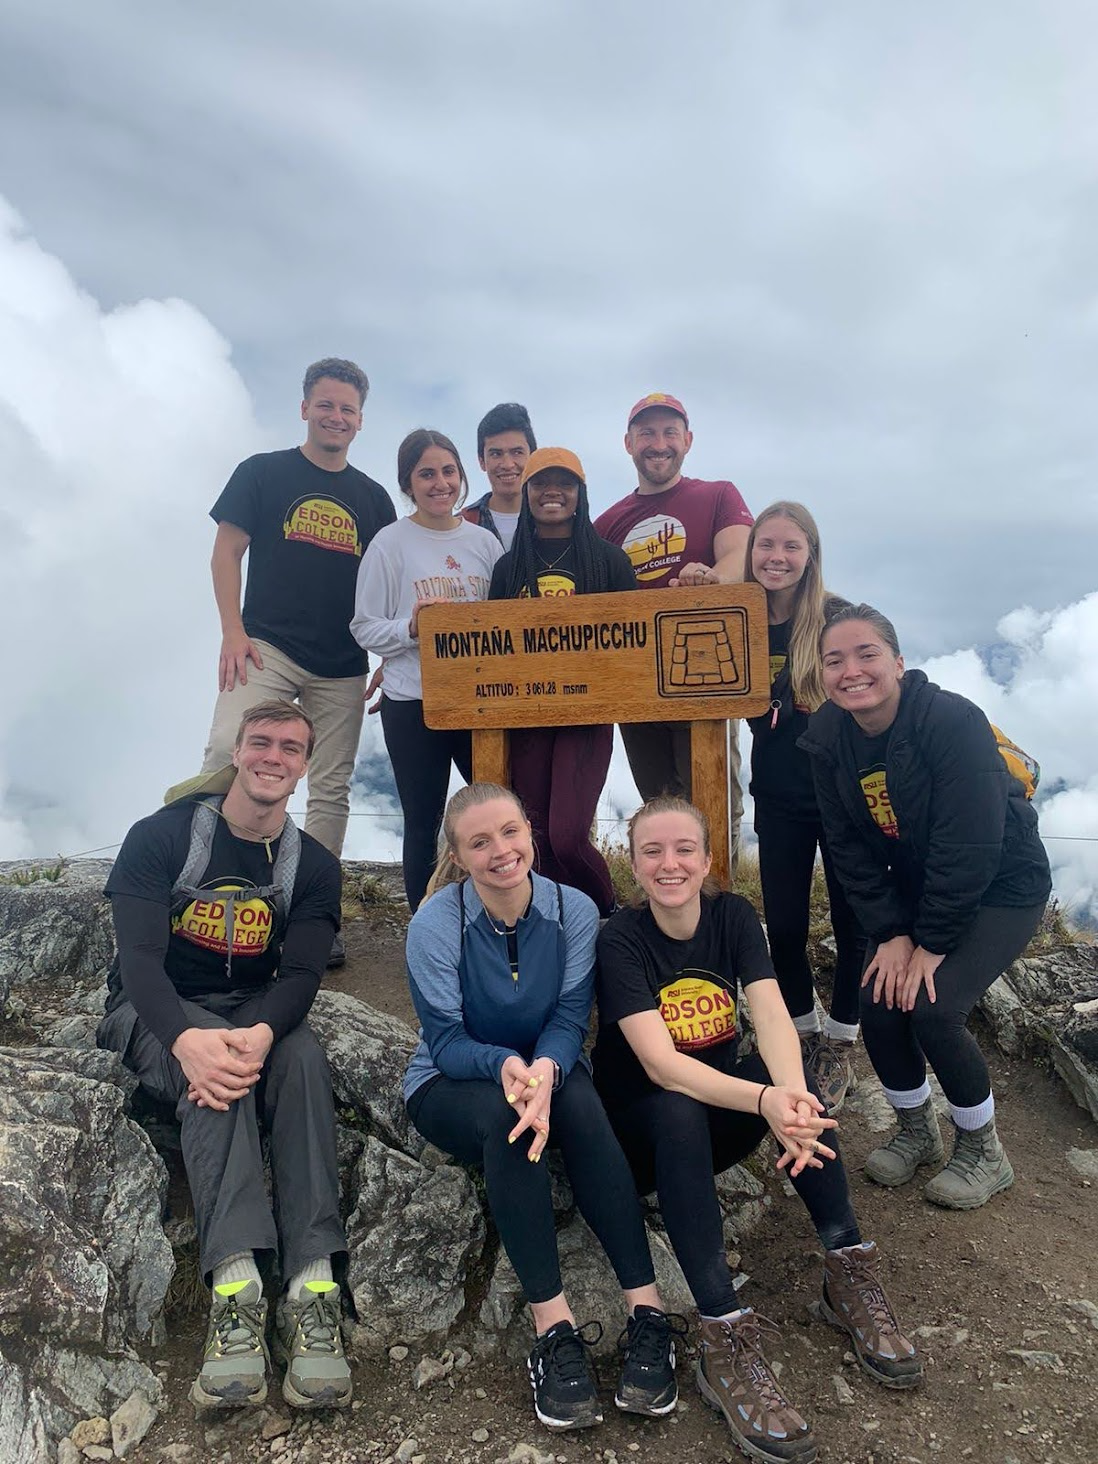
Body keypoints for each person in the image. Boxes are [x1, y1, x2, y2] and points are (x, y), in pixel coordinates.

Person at [594, 796, 921, 1462]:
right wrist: (767, 1099)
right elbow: (661, 1066)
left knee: (798, 1078)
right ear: (633, 864)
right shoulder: (620, 938)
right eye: (651, 850)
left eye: (684, 848)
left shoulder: (734, 916)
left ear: (709, 858)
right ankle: (721, 1333)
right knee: (688, 1105)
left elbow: (770, 1015)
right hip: (641, 1135)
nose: (669, 863)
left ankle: (846, 1267)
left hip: (719, 1114)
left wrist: (790, 1103)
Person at [404, 783, 684, 1431]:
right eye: (480, 842)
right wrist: (506, 1069)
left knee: (583, 1107)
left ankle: (647, 1312)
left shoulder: (575, 909)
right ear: (458, 854)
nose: (500, 850)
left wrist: (546, 1069)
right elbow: (445, 1042)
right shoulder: (434, 924)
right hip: (454, 1083)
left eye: (510, 832)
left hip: (546, 1069)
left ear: (530, 830)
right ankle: (553, 1333)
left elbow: (567, 1015)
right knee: (509, 1123)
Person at [98, 701, 352, 1412]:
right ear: (237, 752)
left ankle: (313, 1291)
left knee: (301, 1062)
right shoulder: (162, 837)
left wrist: (266, 1033)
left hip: (251, 1011)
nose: (274, 757)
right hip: (157, 1010)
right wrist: (186, 1039)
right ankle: (236, 1291)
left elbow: (301, 974)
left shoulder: (315, 866)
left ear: (305, 766)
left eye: (291, 748)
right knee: (215, 1083)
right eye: (261, 743)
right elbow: (141, 961)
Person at [800, 604, 1052, 1208]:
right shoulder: (830, 739)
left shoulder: (952, 722)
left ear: (899, 663)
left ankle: (983, 1149)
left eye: (867, 655)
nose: (851, 671)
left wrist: (932, 944)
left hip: (1003, 884)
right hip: (919, 889)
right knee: (879, 1001)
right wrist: (890, 934)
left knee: (934, 1008)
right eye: (835, 660)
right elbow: (848, 849)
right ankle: (918, 1130)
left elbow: (970, 847)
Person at [192, 358, 396, 966]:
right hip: (266, 645)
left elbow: (389, 582)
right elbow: (226, 552)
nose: (337, 417)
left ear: (361, 421)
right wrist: (232, 629)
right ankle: (203, 888)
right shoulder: (262, 473)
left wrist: (389, 654)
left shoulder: (372, 497)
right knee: (227, 752)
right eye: (326, 405)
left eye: (348, 409)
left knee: (330, 786)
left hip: (342, 661)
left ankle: (314, 911)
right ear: (304, 407)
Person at [593, 394, 753, 861]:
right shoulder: (606, 523)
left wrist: (712, 580)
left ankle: (721, 907)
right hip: (636, 682)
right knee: (660, 803)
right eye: (646, 433)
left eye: (668, 432)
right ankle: (672, 907)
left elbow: (740, 557)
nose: (657, 443)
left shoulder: (719, 494)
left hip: (709, 673)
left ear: (687, 440)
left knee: (715, 803)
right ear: (628, 444)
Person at [743, 502, 865, 1110]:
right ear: (751, 550)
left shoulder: (839, 617)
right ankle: (804, 1028)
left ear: (810, 554)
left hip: (842, 797)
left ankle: (842, 1038)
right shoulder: (736, 613)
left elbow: (872, 688)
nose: (777, 558)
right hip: (779, 795)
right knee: (785, 927)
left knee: (853, 924)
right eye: (767, 545)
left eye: (792, 547)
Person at [350, 429, 502, 912]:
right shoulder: (389, 544)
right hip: (412, 700)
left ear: (462, 476)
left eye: (449, 471)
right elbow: (364, 627)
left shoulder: (485, 544)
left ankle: (499, 910)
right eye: (426, 474)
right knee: (423, 819)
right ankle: (424, 923)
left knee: (494, 813)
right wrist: (412, 629)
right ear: (408, 484)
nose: (440, 483)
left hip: (479, 700)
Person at [488, 447, 636, 915]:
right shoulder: (508, 568)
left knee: (568, 836)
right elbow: (491, 646)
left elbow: (634, 643)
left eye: (565, 483)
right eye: (541, 483)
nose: (553, 492)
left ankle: (608, 914)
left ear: (581, 494)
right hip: (526, 716)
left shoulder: (610, 562)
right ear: (526, 492)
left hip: (588, 717)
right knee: (535, 840)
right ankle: (561, 927)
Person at [463, 402, 537, 550]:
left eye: (517, 452)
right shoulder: (461, 525)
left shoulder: (558, 524)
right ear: (482, 461)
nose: (508, 464)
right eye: (496, 454)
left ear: (533, 457)